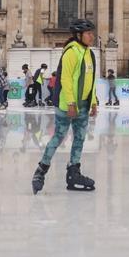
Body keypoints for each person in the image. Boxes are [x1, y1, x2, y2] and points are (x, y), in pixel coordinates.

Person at [31, 19, 99, 195]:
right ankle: (41, 171)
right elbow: (66, 79)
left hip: (83, 105)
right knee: (58, 137)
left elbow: (91, 80)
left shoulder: (89, 53)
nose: (92, 36)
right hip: (67, 105)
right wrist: (70, 103)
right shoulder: (71, 52)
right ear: (79, 35)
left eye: (92, 33)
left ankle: (73, 173)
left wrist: (93, 102)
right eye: (89, 33)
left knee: (80, 139)